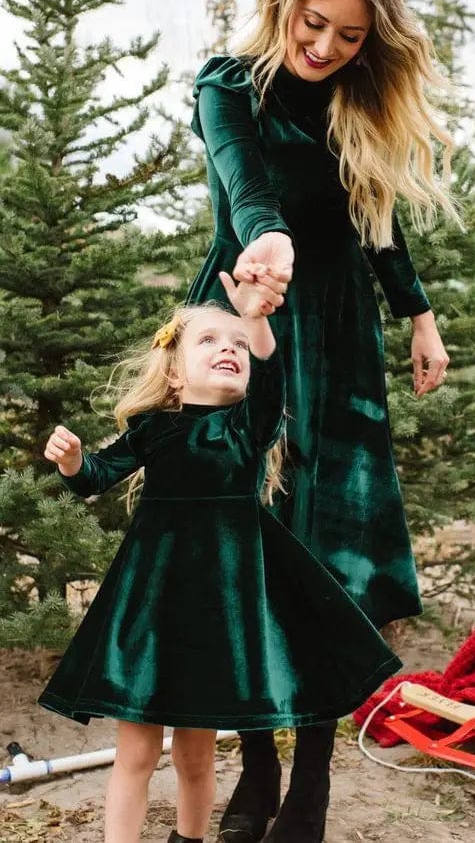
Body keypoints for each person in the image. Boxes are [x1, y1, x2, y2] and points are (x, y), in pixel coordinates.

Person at [187, 0, 456, 843]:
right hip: (242, 326)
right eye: (316, 25)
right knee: (244, 551)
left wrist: (417, 314)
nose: (327, 48)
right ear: (287, 2)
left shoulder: (356, 104)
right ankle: (254, 769)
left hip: (338, 348)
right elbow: (243, 177)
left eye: (349, 37)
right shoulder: (230, 86)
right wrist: (268, 238)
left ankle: (310, 783)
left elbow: (377, 225)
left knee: (326, 567)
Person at [38, 273, 399, 843]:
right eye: (208, 341)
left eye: (236, 346)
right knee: (135, 752)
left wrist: (254, 318)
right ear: (175, 372)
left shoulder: (246, 429)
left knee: (194, 757)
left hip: (216, 615)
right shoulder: (153, 429)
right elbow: (95, 478)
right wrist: (73, 459)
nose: (227, 350)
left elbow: (275, 381)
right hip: (152, 608)